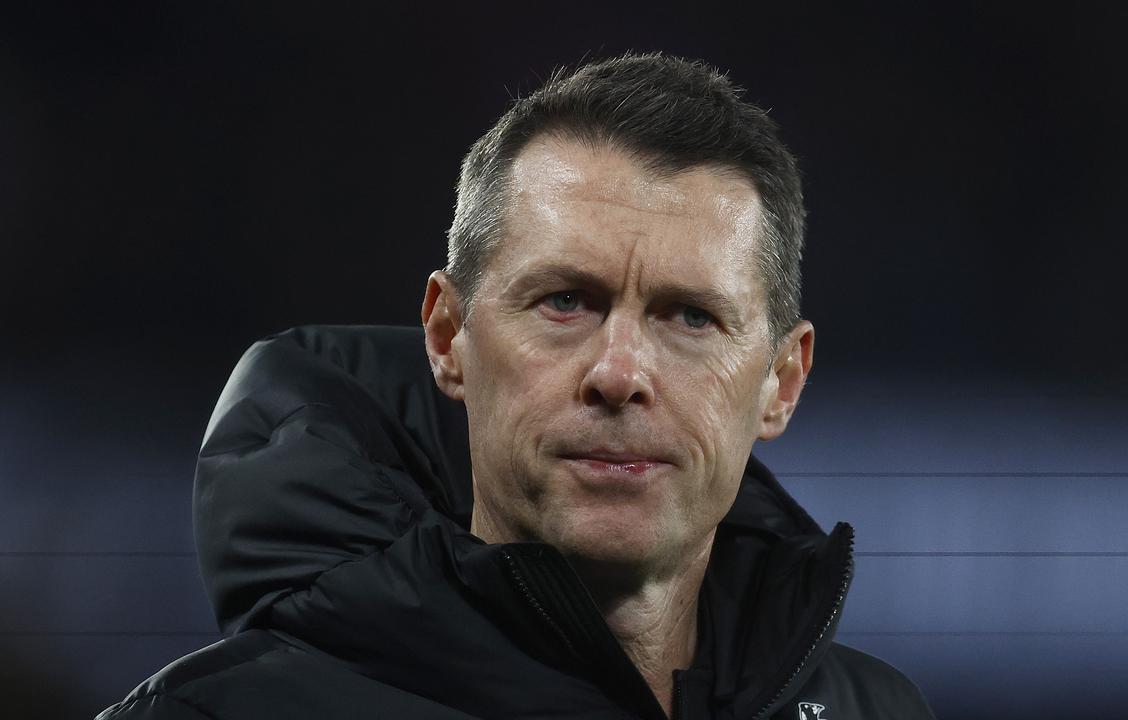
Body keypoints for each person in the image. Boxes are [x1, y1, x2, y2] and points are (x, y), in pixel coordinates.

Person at [98, 53, 934, 719]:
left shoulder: (878, 711)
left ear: (781, 382)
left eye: (690, 317)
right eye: (566, 301)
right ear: (447, 337)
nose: (619, 374)